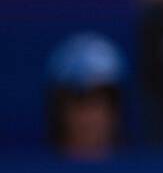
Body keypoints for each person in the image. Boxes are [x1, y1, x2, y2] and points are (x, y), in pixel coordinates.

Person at [46, 32, 126, 161]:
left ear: (115, 111)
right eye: (79, 102)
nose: (87, 117)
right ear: (60, 111)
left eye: (97, 102)